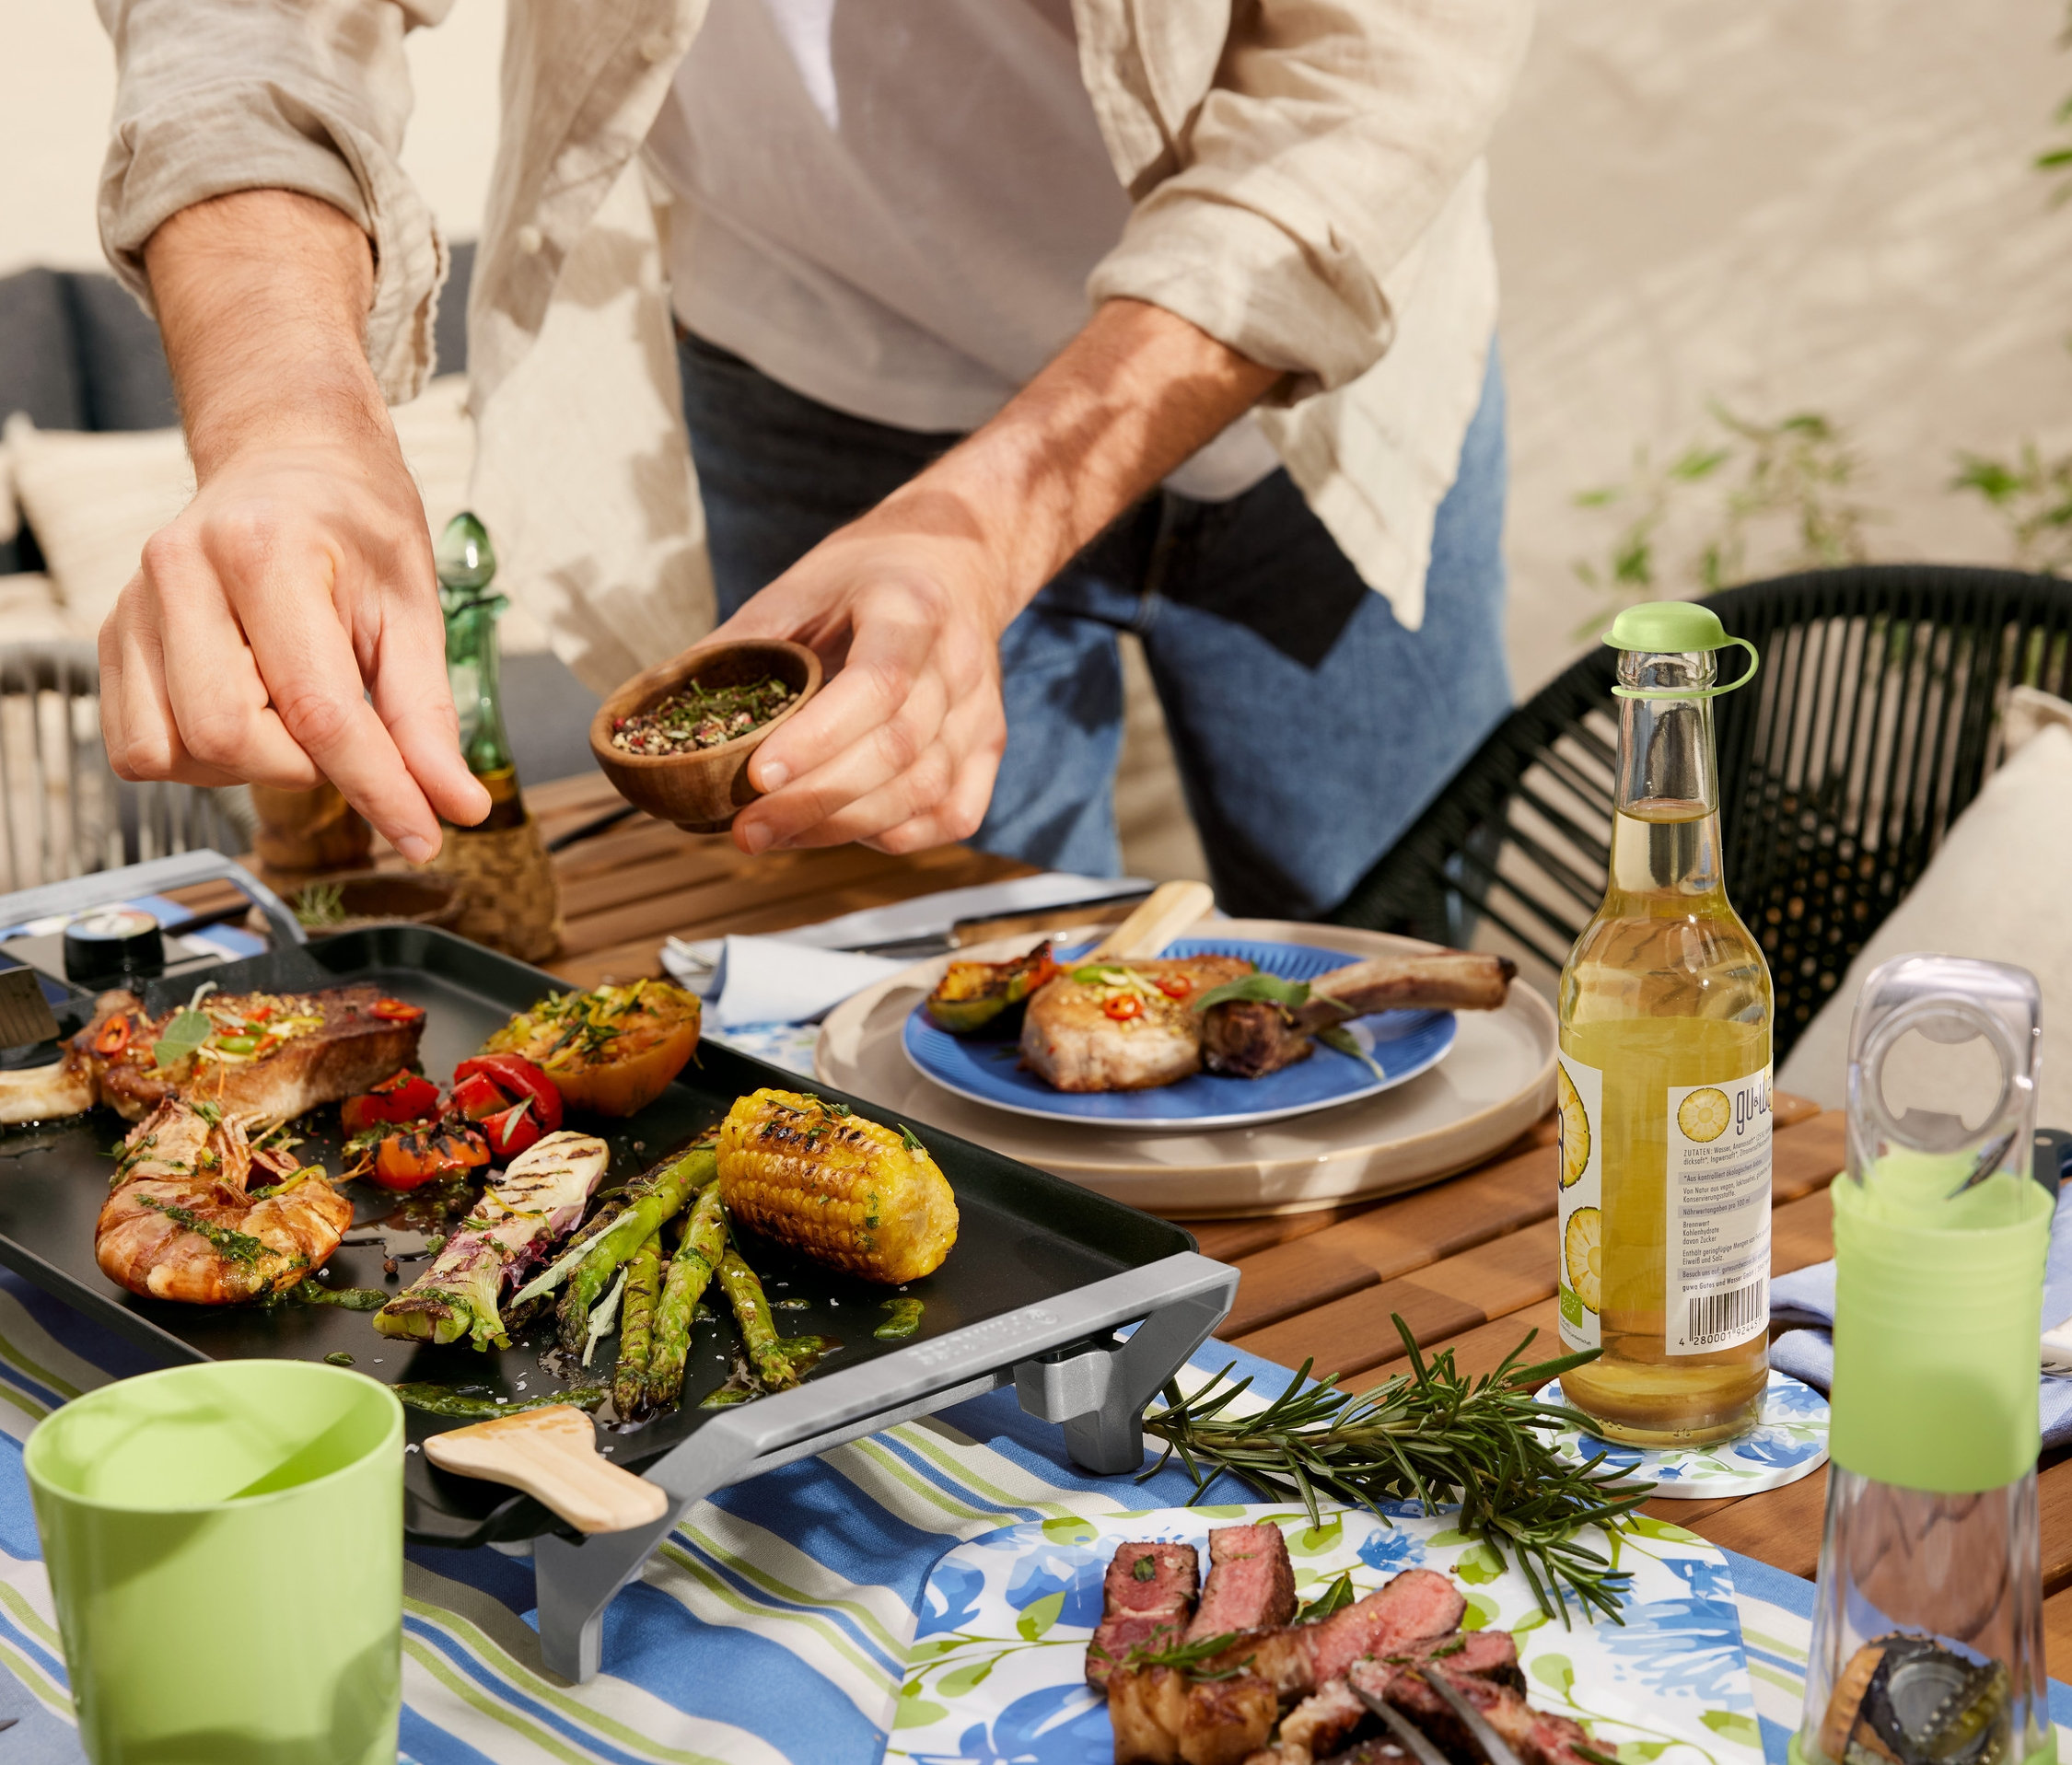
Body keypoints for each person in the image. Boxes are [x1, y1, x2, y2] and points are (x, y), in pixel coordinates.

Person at [93, 0, 1530, 920]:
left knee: (1396, 988)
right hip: (819, 384)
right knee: (941, 1000)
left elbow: (1377, 83)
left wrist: (988, 523)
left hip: (1308, 402)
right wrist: (286, 421)